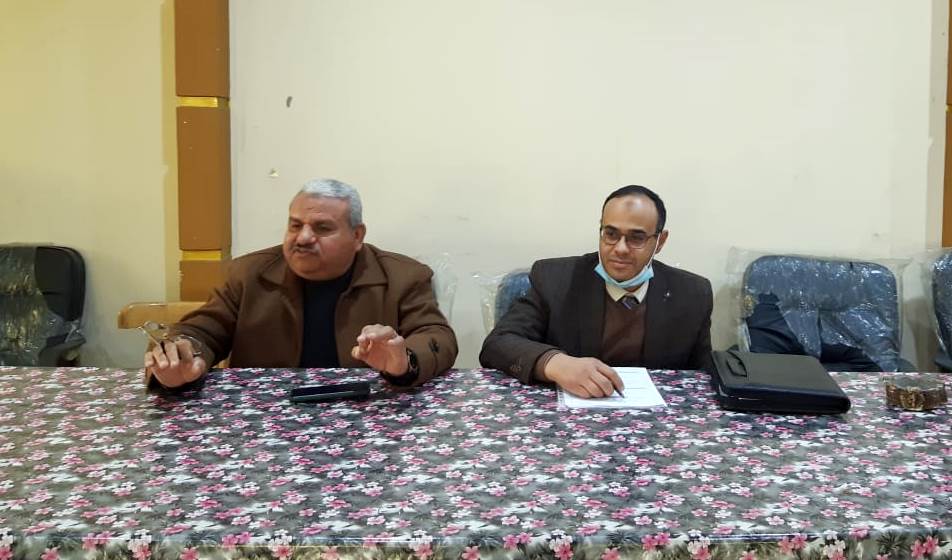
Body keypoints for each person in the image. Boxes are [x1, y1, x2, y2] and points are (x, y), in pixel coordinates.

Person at [146, 178, 458, 388]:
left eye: (322, 228)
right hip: (266, 419)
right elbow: (201, 332)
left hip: (366, 415)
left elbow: (437, 336)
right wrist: (181, 358)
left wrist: (404, 361)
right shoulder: (249, 274)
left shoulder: (402, 276)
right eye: (295, 225)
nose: (304, 238)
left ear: (357, 235)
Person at [479, 184, 712, 398]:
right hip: (568, 415)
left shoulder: (692, 294)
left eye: (636, 238)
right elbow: (498, 344)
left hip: (657, 420)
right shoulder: (555, 279)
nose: (620, 248)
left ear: (660, 241)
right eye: (611, 234)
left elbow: (703, 377)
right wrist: (554, 363)